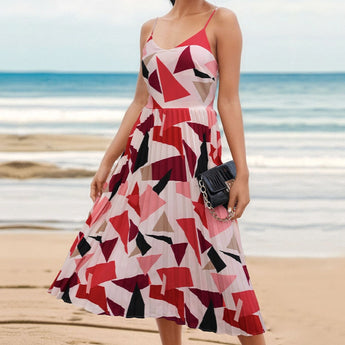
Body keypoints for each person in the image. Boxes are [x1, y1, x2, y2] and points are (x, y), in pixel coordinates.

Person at [47, 1, 267, 344]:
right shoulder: (149, 28)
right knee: (160, 258)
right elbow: (140, 101)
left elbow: (228, 99)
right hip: (148, 156)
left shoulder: (221, 20)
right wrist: (108, 160)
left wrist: (243, 174)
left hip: (197, 156)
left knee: (224, 261)